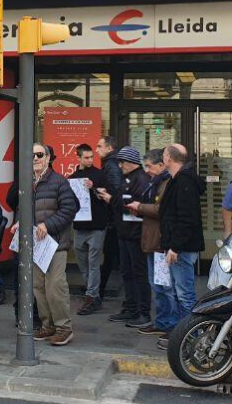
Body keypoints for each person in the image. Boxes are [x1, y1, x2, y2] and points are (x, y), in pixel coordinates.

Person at [7, 143, 79, 346]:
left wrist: (48, 225)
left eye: (39, 155)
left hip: (55, 244)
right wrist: (20, 223)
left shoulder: (59, 181)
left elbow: (69, 209)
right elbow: (25, 208)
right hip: (36, 245)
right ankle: (48, 326)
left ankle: (64, 328)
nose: (35, 158)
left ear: (48, 158)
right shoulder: (28, 181)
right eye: (31, 155)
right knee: (38, 286)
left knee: (55, 285)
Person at [156, 144, 205, 350]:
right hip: (177, 246)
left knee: (184, 293)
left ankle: (190, 336)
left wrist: (175, 247)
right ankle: (180, 333)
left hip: (181, 248)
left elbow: (186, 218)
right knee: (178, 291)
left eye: (164, 155)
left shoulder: (183, 182)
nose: (162, 159)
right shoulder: (178, 180)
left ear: (169, 159)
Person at [128, 149, 177, 338]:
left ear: (161, 165)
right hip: (152, 240)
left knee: (165, 287)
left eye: (149, 166)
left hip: (159, 241)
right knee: (157, 284)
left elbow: (161, 209)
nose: (146, 170)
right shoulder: (155, 182)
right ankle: (162, 322)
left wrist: (139, 207)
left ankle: (170, 324)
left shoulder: (166, 183)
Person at [99, 147, 151, 326]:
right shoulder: (128, 178)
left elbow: (135, 205)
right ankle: (131, 308)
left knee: (139, 273)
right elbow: (124, 200)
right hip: (125, 233)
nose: (120, 165)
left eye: (122, 162)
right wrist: (113, 199)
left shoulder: (142, 179)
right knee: (127, 273)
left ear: (130, 162)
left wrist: (112, 200)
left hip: (135, 234)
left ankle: (143, 312)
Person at [68, 143, 112, 316]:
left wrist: (94, 187)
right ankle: (93, 295)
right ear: (78, 158)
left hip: (97, 225)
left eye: (91, 157)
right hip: (80, 226)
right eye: (85, 157)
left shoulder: (99, 175)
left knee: (93, 263)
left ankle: (91, 296)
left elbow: (108, 197)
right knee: (83, 263)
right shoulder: (73, 177)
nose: (89, 160)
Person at [96, 136, 122, 299]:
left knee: (111, 257)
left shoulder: (111, 165)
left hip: (114, 220)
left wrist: (103, 195)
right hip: (115, 219)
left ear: (109, 148)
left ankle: (100, 292)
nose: (97, 149)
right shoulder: (111, 164)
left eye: (100, 146)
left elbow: (114, 189)